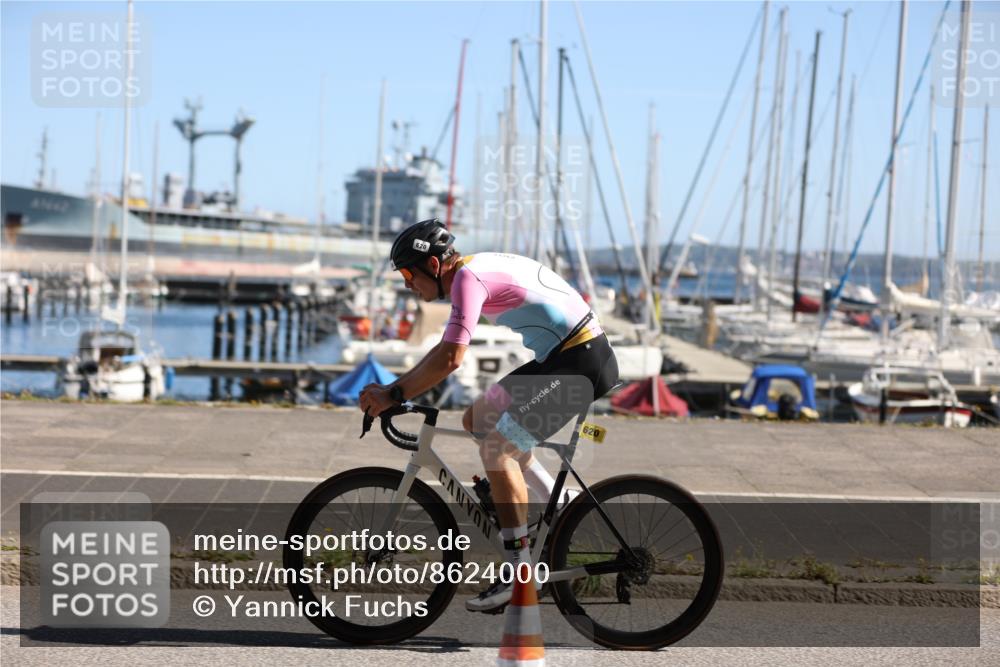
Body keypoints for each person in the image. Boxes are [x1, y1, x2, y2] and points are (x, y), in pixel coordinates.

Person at [359, 219, 619, 612]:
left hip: (581, 362)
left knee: (497, 451)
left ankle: (520, 576)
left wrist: (394, 394)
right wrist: (395, 390)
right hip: (562, 358)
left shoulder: (467, 279)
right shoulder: (469, 272)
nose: (408, 284)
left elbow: (451, 359)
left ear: (433, 265)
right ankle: (558, 500)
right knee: (477, 420)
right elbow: (443, 352)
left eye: (410, 273)